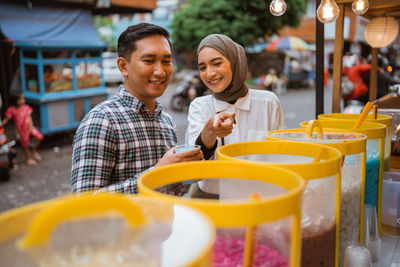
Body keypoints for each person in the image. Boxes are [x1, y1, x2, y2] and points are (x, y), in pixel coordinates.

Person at [71, 23, 203, 194]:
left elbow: (169, 190)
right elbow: (83, 205)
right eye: (148, 61)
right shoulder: (101, 121)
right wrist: (157, 174)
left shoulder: (166, 121)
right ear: (123, 66)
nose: (161, 72)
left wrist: (184, 173)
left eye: (166, 61)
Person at [185, 34, 285, 197]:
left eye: (217, 63)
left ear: (236, 62)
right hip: (211, 199)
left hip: (259, 199)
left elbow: (280, 156)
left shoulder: (268, 102)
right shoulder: (199, 106)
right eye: (202, 67)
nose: (209, 74)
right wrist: (210, 130)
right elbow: (194, 165)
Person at [1, 93, 43, 166]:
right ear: (15, 100)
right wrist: (1, 124)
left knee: (39, 137)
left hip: (29, 128)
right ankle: (28, 159)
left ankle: (33, 151)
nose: (23, 100)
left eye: (23, 98)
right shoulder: (12, 110)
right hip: (21, 132)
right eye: (20, 99)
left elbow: (29, 118)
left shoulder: (26, 107)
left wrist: (31, 127)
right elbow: (7, 119)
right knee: (25, 145)